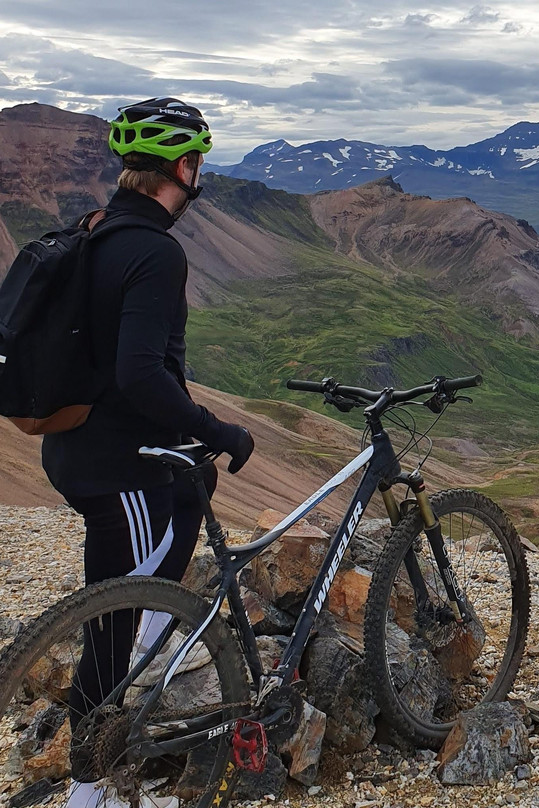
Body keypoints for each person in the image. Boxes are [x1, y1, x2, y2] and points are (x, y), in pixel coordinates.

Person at [40, 97, 255, 808]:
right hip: (117, 465)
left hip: (81, 447)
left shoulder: (97, 229)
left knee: (192, 487)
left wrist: (197, 443)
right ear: (184, 167)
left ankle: (154, 637)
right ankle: (86, 790)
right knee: (108, 626)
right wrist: (220, 431)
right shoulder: (156, 250)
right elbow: (139, 373)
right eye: (198, 164)